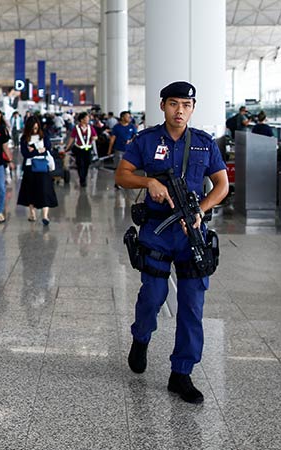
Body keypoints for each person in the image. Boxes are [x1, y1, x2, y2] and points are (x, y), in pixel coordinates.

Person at [114, 81, 228, 404]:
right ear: (163, 105)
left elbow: (222, 185)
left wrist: (201, 212)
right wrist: (148, 181)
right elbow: (121, 175)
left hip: (192, 232)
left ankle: (181, 373)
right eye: (174, 104)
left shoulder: (205, 144)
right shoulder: (146, 140)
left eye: (187, 105)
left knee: (192, 303)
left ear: (193, 108)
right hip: (157, 231)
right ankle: (141, 336)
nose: (180, 111)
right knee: (153, 293)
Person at [17, 118, 57, 225]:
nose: (35, 130)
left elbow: (48, 149)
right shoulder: (24, 138)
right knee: (30, 191)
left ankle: (45, 216)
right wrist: (38, 150)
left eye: (36, 127)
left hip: (43, 167)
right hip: (29, 168)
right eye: (33, 128)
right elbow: (25, 154)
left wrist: (34, 150)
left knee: (45, 191)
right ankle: (32, 213)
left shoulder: (44, 136)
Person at [65, 112, 97, 188]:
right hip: (79, 149)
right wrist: (68, 147)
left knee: (87, 163)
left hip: (88, 149)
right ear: (82, 120)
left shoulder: (90, 127)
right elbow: (72, 138)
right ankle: (82, 179)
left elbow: (95, 136)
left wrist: (94, 138)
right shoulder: (76, 128)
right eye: (86, 118)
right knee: (80, 164)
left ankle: (84, 177)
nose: (88, 119)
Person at [108, 111, 139, 188]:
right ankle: (118, 182)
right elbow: (112, 139)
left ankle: (126, 182)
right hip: (119, 150)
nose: (129, 118)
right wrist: (109, 150)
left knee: (128, 168)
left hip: (129, 151)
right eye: (127, 116)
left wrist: (131, 141)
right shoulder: (117, 127)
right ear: (122, 117)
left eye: (129, 116)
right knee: (118, 167)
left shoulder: (132, 127)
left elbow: (136, 137)